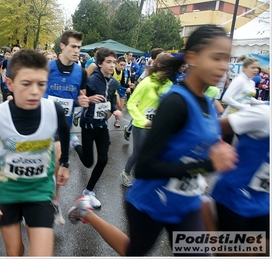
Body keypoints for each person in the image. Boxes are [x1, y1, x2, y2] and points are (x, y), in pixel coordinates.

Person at [66, 24, 239, 256]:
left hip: (186, 203)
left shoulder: (207, 102)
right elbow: (146, 167)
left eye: (227, 59)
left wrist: (206, 159)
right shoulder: (175, 102)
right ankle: (86, 211)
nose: (224, 66)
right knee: (133, 252)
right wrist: (206, 165)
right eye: (216, 57)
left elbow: (192, 143)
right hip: (152, 202)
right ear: (193, 57)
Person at [0, 49, 71, 256]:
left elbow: (65, 134)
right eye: (26, 84)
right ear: (10, 84)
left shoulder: (54, 111)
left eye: (41, 84)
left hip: (40, 191)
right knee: (15, 251)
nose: (35, 91)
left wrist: (65, 164)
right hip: (6, 193)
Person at [210, 103, 270, 256]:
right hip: (234, 196)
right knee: (233, 253)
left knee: (263, 251)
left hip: (263, 200)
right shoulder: (265, 115)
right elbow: (209, 128)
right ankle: (200, 209)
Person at [44, 29, 89, 225]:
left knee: (57, 162)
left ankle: (54, 202)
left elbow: (80, 97)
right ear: (62, 46)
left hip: (62, 127)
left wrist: (82, 101)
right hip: (42, 123)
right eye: (73, 46)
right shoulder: (47, 68)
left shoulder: (81, 72)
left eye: (79, 47)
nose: (77, 50)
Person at [70, 47, 123, 209]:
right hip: (88, 124)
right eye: (108, 62)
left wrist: (115, 111)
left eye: (114, 62)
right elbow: (79, 98)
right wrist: (87, 98)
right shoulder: (91, 81)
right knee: (88, 162)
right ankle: (75, 144)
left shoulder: (114, 82)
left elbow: (110, 103)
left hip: (102, 126)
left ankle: (89, 191)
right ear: (99, 63)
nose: (112, 65)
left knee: (103, 159)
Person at [120, 53, 179, 187]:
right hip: (141, 125)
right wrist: (142, 120)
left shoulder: (169, 84)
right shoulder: (147, 82)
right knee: (139, 152)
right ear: (159, 65)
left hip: (157, 126)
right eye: (168, 67)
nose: (171, 71)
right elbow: (131, 103)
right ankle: (126, 173)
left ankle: (147, 178)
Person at [124, 48, 164, 141]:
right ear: (155, 58)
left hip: (156, 98)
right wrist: (139, 96)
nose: (163, 58)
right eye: (161, 56)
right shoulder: (151, 69)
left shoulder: (164, 69)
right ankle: (128, 129)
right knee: (141, 115)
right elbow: (140, 80)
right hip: (147, 97)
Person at [112, 56, 130, 128]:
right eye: (121, 65)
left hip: (119, 89)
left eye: (124, 65)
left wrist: (129, 86)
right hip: (113, 90)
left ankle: (116, 121)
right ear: (117, 63)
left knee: (121, 107)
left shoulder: (122, 72)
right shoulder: (113, 70)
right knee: (119, 105)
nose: (122, 67)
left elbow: (123, 83)